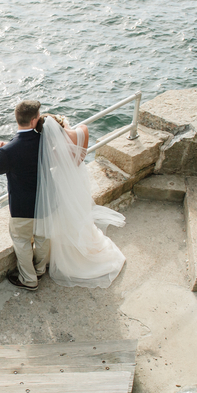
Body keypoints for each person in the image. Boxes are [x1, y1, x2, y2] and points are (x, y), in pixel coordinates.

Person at [34, 113, 126, 287]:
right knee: (81, 212)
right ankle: (85, 244)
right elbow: (80, 156)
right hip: (80, 178)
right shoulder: (82, 130)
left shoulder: (52, 148)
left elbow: (51, 166)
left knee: (66, 216)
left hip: (62, 183)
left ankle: (72, 254)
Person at [0, 100, 50, 291]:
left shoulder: (8, 151)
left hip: (22, 207)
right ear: (33, 121)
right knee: (43, 239)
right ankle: (39, 269)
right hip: (45, 203)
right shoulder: (46, 140)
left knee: (21, 241)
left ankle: (29, 279)